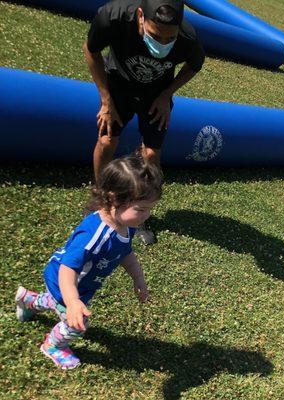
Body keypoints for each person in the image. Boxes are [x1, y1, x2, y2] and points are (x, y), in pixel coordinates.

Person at [14, 155, 163, 369]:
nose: (147, 216)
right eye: (141, 209)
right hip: (65, 282)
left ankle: (28, 300)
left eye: (150, 209)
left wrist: (138, 278)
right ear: (113, 199)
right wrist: (73, 301)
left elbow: (125, 252)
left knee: (58, 303)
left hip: (79, 285)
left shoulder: (126, 225)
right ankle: (53, 346)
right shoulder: (94, 234)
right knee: (78, 323)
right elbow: (68, 268)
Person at [83, 0, 205, 243]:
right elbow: (91, 50)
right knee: (107, 140)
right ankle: (101, 201)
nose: (160, 44)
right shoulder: (113, 17)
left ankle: (138, 211)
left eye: (168, 39)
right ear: (140, 16)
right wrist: (106, 101)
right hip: (118, 85)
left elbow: (195, 65)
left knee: (151, 154)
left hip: (155, 95)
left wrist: (166, 95)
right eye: (154, 35)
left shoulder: (188, 37)